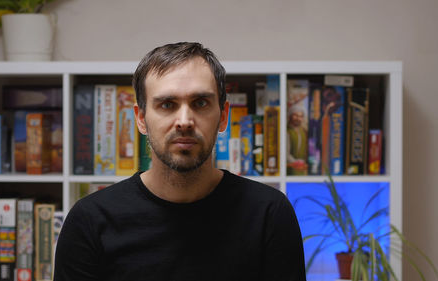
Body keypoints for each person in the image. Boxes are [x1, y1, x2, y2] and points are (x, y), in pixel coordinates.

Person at [54, 42, 306, 281]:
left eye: (200, 103)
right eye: (167, 104)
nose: (184, 120)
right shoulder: (89, 221)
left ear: (223, 116)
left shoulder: (269, 214)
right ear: (141, 118)